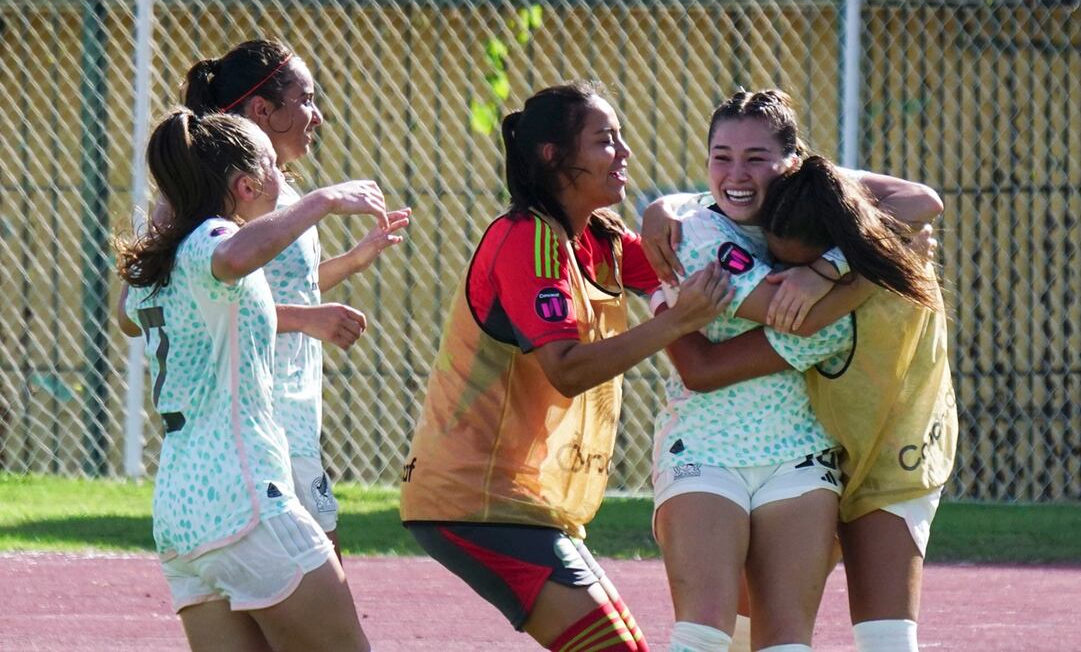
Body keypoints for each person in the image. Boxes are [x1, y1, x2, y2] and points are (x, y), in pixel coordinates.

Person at [399, 81, 734, 651]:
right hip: (475, 500)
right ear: (553, 157)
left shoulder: (602, 240)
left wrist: (670, 210)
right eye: (605, 140)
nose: (624, 152)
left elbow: (680, 261)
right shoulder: (526, 240)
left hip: (530, 505)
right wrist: (672, 324)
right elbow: (567, 368)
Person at [641, 89, 949, 652]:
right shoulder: (699, 231)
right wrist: (870, 265)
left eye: (756, 157)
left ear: (794, 160)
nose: (736, 172)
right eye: (721, 156)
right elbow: (742, 344)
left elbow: (923, 199)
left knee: (853, 641)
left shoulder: (831, 216)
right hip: (709, 453)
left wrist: (830, 269)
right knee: (711, 632)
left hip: (858, 449)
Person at [115, 109, 388, 650]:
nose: (286, 181)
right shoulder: (212, 239)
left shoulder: (163, 259)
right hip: (246, 499)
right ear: (246, 185)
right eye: (274, 169)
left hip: (182, 514)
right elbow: (235, 252)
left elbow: (130, 314)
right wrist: (325, 201)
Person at [182, 39, 411, 557]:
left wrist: (352, 261)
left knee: (308, 568)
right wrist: (309, 318)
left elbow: (271, 292)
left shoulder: (280, 194)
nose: (318, 115)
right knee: (313, 573)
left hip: (295, 410)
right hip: (250, 412)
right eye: (305, 99)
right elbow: (207, 302)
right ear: (262, 109)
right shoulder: (227, 193)